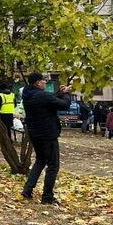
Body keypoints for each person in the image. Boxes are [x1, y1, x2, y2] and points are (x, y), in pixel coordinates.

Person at [21, 73, 72, 204]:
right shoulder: (41, 95)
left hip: (35, 133)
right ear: (38, 82)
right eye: (44, 81)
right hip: (47, 134)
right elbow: (64, 105)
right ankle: (47, 196)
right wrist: (66, 94)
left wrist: (59, 93)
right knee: (53, 165)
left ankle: (27, 190)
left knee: (40, 160)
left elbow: (49, 100)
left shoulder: (28, 94)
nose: (45, 82)